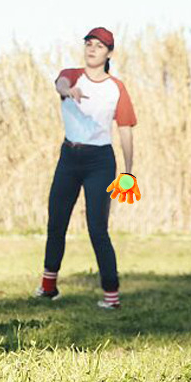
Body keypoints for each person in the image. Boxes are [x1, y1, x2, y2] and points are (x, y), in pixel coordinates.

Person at [34, 27, 137, 309]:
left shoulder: (117, 88)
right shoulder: (71, 74)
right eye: (89, 44)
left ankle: (111, 296)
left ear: (109, 53)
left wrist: (128, 172)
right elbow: (60, 85)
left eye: (99, 46)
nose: (92, 49)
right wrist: (69, 92)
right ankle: (48, 286)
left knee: (97, 228)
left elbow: (125, 130)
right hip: (69, 157)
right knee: (56, 222)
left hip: (100, 162)